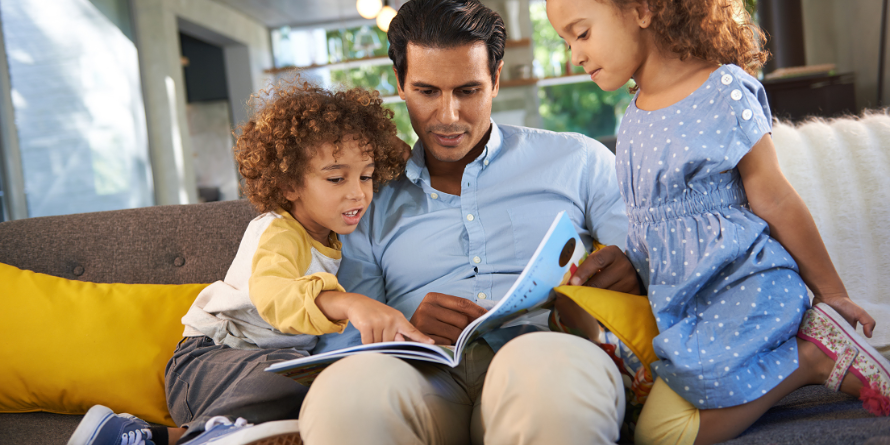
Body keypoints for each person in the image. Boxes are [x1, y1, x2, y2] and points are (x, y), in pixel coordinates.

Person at [297, 1, 645, 444]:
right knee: (346, 394)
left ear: (495, 80)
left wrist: (632, 271)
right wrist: (403, 323)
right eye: (427, 92)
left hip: (543, 352)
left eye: (468, 90)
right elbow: (343, 337)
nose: (448, 116)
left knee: (556, 378)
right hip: (423, 375)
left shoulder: (577, 160)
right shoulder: (363, 196)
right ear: (400, 84)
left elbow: (651, 260)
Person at [545, 0, 890, 444]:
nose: (575, 55)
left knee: (661, 436)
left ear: (643, 10)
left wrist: (832, 293)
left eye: (582, 33)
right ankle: (806, 356)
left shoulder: (722, 89)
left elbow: (777, 198)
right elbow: (652, 231)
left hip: (744, 292)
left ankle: (813, 359)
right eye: (566, 41)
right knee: (644, 424)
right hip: (689, 310)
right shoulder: (632, 118)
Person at [67, 80, 433, 445]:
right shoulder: (277, 232)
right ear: (289, 185)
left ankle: (146, 437)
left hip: (261, 369)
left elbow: (390, 160)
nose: (358, 192)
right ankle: (216, 435)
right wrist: (349, 303)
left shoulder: (331, 230)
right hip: (205, 364)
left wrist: (398, 151)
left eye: (366, 176)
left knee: (323, 387)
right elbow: (273, 294)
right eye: (336, 178)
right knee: (291, 376)